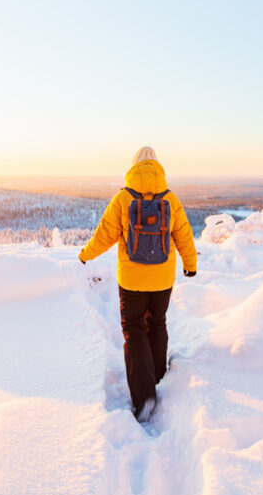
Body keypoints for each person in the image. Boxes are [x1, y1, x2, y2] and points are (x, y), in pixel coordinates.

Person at [79, 146, 196, 422]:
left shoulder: (123, 198)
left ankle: (144, 398)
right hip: (163, 279)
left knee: (134, 329)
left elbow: (104, 234)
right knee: (157, 322)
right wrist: (190, 265)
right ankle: (157, 378)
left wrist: (85, 255)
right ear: (158, 167)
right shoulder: (170, 198)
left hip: (131, 281)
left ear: (134, 167)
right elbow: (184, 235)